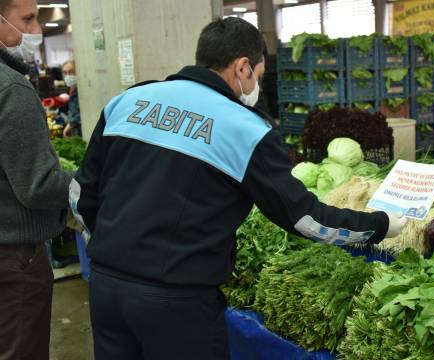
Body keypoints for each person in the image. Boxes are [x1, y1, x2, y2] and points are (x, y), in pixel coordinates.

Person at [71, 17, 407, 360]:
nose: (257, 85)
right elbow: (305, 218)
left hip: (106, 289)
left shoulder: (127, 102)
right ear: (243, 67)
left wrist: (110, 247)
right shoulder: (245, 129)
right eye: (259, 76)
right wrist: (379, 226)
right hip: (177, 305)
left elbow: (80, 194)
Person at [0, 0, 73, 359]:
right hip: (15, 261)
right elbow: (38, 185)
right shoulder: (11, 88)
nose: (37, 31)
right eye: (27, 19)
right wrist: (87, 182)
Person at [61, 59, 82, 137]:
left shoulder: (84, 90)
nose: (68, 76)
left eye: (71, 72)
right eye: (65, 73)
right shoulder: (72, 89)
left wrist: (71, 124)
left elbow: (84, 112)